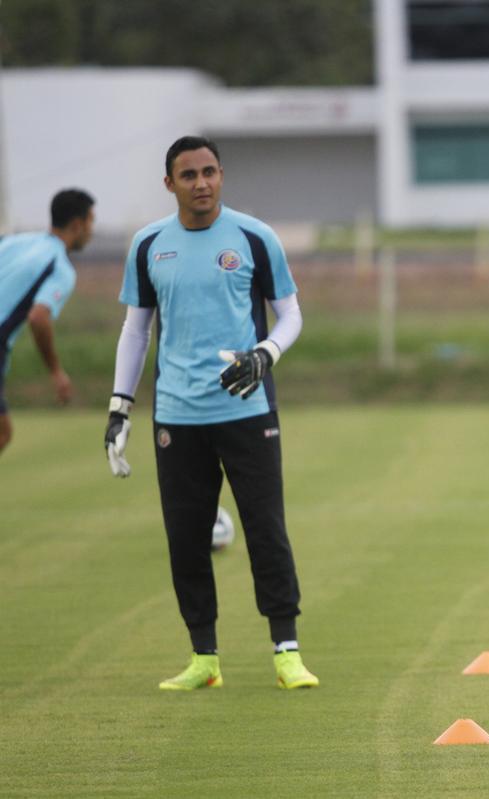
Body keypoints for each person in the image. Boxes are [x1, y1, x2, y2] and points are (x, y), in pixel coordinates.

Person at [104, 135, 318, 691]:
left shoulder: (254, 236)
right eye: (189, 174)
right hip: (177, 415)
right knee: (187, 537)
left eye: (209, 172)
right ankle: (204, 657)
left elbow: (290, 315)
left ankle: (286, 651)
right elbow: (137, 329)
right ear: (169, 183)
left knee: (265, 529)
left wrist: (265, 354)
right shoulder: (150, 244)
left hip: (247, 411)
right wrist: (119, 407)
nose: (201, 183)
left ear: (222, 175)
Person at [0, 189, 95, 455]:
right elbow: (39, 318)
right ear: (77, 225)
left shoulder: (16, 242)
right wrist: (56, 371)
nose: (92, 231)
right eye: (91, 222)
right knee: (2, 432)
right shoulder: (61, 268)